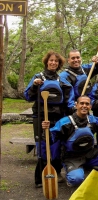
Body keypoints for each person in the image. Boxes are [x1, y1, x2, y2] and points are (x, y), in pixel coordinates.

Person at [24, 50, 76, 188]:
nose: (53, 63)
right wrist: (35, 85)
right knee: (42, 145)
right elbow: (28, 96)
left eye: (56, 61)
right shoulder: (38, 77)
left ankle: (56, 173)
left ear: (59, 64)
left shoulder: (62, 81)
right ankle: (40, 177)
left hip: (58, 117)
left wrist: (74, 108)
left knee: (56, 146)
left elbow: (69, 99)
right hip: (41, 116)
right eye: (51, 60)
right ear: (47, 62)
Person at [41, 95, 98, 187]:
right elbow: (51, 138)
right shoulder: (65, 122)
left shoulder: (93, 120)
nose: (84, 106)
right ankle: (73, 174)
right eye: (81, 103)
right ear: (76, 105)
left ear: (90, 107)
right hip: (72, 157)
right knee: (76, 180)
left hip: (89, 153)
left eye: (87, 104)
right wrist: (45, 130)